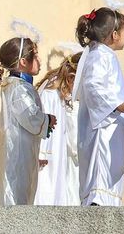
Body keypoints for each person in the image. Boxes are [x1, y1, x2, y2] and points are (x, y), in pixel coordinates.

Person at [75, 7, 124, 206]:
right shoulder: (100, 55)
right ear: (115, 34)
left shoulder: (103, 54)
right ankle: (98, 203)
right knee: (101, 174)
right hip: (103, 129)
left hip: (110, 125)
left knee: (110, 171)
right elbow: (92, 84)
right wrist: (116, 104)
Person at [0, 36, 50, 205]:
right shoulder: (18, 87)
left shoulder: (18, 85)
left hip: (23, 149)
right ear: (24, 61)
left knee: (22, 192)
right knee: (15, 194)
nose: (39, 60)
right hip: (16, 151)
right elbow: (29, 116)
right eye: (35, 56)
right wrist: (46, 120)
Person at [35, 51, 80, 206]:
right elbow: (73, 141)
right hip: (48, 159)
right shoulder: (52, 94)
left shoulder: (57, 92)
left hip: (58, 158)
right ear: (72, 77)